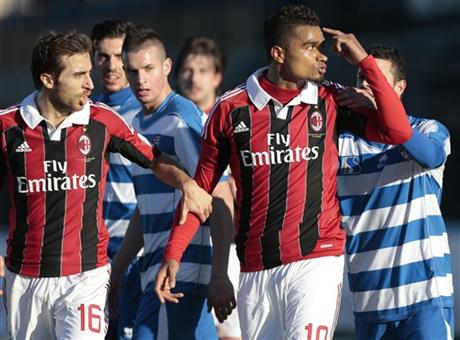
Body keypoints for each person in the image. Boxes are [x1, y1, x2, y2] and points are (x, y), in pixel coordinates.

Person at [155, 4, 413, 340]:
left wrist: (364, 61)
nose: (321, 56)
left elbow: (398, 132)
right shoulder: (231, 110)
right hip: (255, 271)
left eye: (321, 47)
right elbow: (200, 191)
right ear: (278, 53)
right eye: (309, 47)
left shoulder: (331, 99)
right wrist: (173, 253)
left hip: (316, 261)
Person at [0, 30, 212, 340]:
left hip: (85, 276)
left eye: (89, 73)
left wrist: (186, 184)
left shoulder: (102, 121)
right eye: (79, 75)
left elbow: (154, 159)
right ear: (48, 80)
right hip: (25, 278)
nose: (90, 83)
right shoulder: (8, 128)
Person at [109, 25, 229, 339]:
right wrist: (118, 269)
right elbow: (145, 210)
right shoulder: (134, 124)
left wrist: (219, 274)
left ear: (166, 67)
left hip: (182, 272)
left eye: (149, 69)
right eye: (132, 71)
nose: (141, 80)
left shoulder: (181, 118)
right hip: (155, 271)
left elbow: (215, 194)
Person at [336, 46, 454, 340]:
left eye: (374, 79)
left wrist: (372, 112)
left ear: (399, 88)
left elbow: (429, 155)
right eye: (362, 78)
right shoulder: (339, 146)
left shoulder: (428, 129)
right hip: (369, 304)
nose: (365, 85)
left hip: (425, 299)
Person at [176, 36, 241, 340]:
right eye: (187, 70)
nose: (193, 77)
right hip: (183, 253)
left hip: (223, 251)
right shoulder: (173, 122)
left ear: (217, 76)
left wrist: (222, 270)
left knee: (228, 334)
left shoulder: (227, 122)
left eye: (202, 70)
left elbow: (225, 193)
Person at [90, 19, 143, 340]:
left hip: (135, 251)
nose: (111, 66)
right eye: (102, 56)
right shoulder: (82, 112)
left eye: (119, 56)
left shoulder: (147, 113)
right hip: (89, 256)